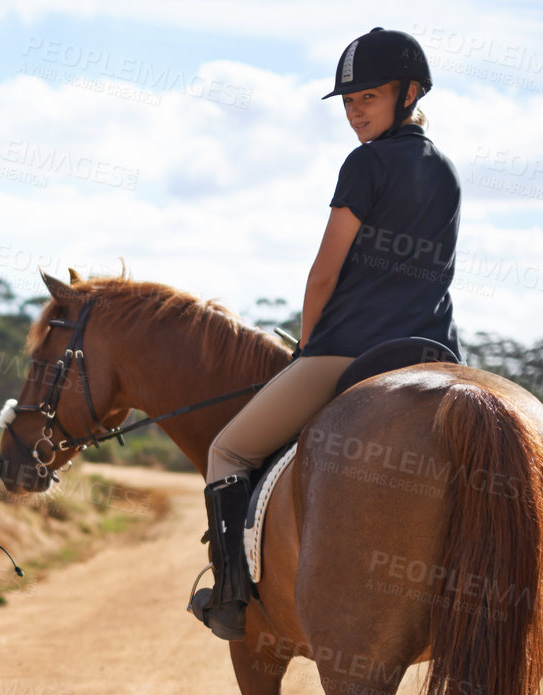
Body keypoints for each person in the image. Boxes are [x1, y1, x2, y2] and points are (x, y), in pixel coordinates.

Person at [190, 27, 462, 641]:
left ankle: (231, 595)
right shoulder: (445, 170)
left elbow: (323, 275)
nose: (354, 111)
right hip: (435, 354)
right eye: (348, 101)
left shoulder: (365, 163)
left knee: (227, 452)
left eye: (368, 96)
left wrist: (307, 348)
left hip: (348, 353)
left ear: (410, 91)